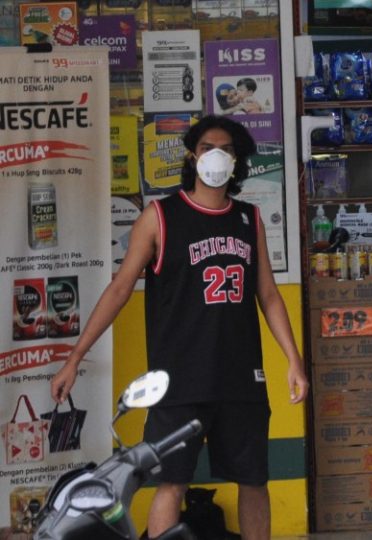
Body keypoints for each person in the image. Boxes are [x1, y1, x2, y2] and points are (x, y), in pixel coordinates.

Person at [50, 115, 308, 540]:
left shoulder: (249, 218)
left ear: (238, 160)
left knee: (254, 480)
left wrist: (294, 361)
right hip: (178, 379)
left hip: (240, 376)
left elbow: (269, 295)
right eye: (208, 147)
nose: (217, 156)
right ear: (193, 154)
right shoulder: (160, 217)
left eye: (226, 149)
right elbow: (118, 290)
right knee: (171, 482)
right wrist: (75, 357)